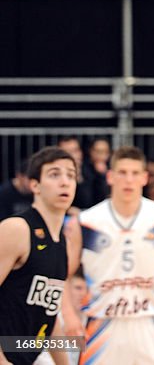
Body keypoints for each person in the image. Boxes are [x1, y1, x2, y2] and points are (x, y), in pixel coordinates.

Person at [67, 146, 154, 365]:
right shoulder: (86, 221)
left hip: (149, 322)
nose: (128, 179)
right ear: (110, 176)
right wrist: (69, 315)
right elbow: (62, 275)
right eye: (122, 172)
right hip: (101, 325)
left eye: (135, 173)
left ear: (145, 178)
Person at [0, 147, 77, 365]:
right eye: (54, 174)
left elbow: (49, 315)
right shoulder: (16, 229)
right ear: (35, 185)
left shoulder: (64, 243)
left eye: (70, 175)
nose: (65, 182)